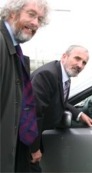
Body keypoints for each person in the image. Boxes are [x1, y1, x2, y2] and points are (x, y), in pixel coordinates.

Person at [30, 45, 92, 172]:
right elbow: (34, 114)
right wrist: (34, 149)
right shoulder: (48, 75)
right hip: (28, 141)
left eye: (84, 62)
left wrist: (79, 115)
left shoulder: (62, 74)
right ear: (64, 56)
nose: (80, 65)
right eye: (77, 58)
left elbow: (59, 100)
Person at [0, 0, 50, 172]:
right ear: (12, 12)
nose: (36, 23)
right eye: (31, 14)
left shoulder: (14, 49)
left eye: (40, 19)